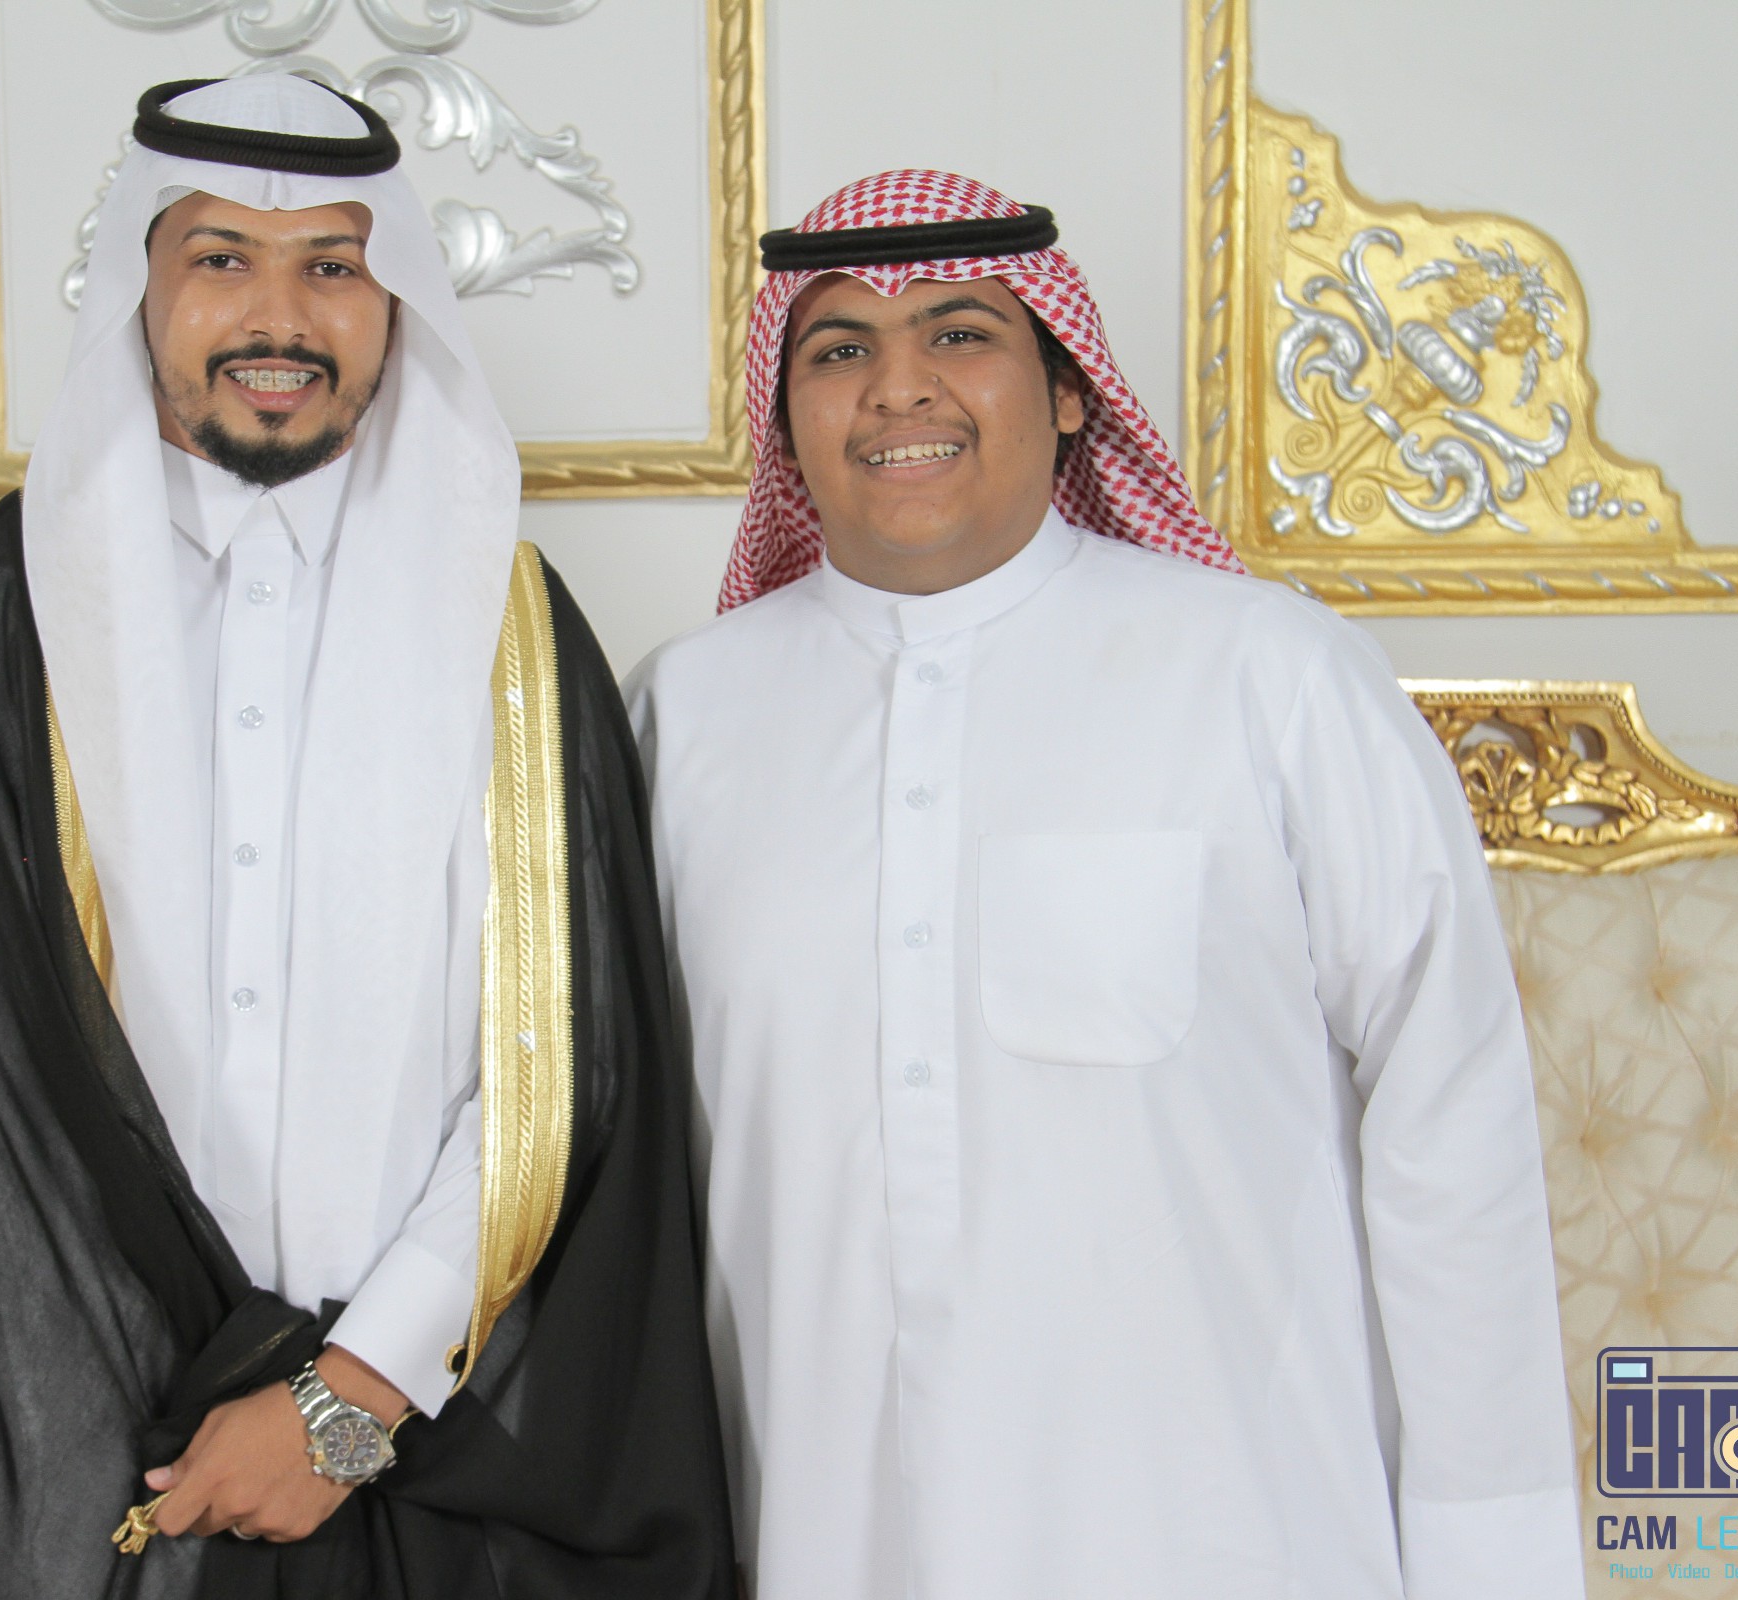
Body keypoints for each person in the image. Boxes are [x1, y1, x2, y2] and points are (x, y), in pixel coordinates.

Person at [0, 74, 732, 1600]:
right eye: (221, 258)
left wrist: (351, 1398)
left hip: (429, 1444)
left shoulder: (512, 632)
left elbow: (569, 1064)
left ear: (394, 301)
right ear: (140, 288)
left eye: (332, 265)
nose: (278, 315)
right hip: (59, 1416)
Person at [627, 170, 1582, 1600]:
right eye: (839, 349)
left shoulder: (1271, 675)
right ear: (786, 414)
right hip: (823, 1540)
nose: (898, 389)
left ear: (1072, 390)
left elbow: (1455, 1133)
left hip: (1228, 1541)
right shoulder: (681, 717)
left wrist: (1489, 1562)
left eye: (961, 334)